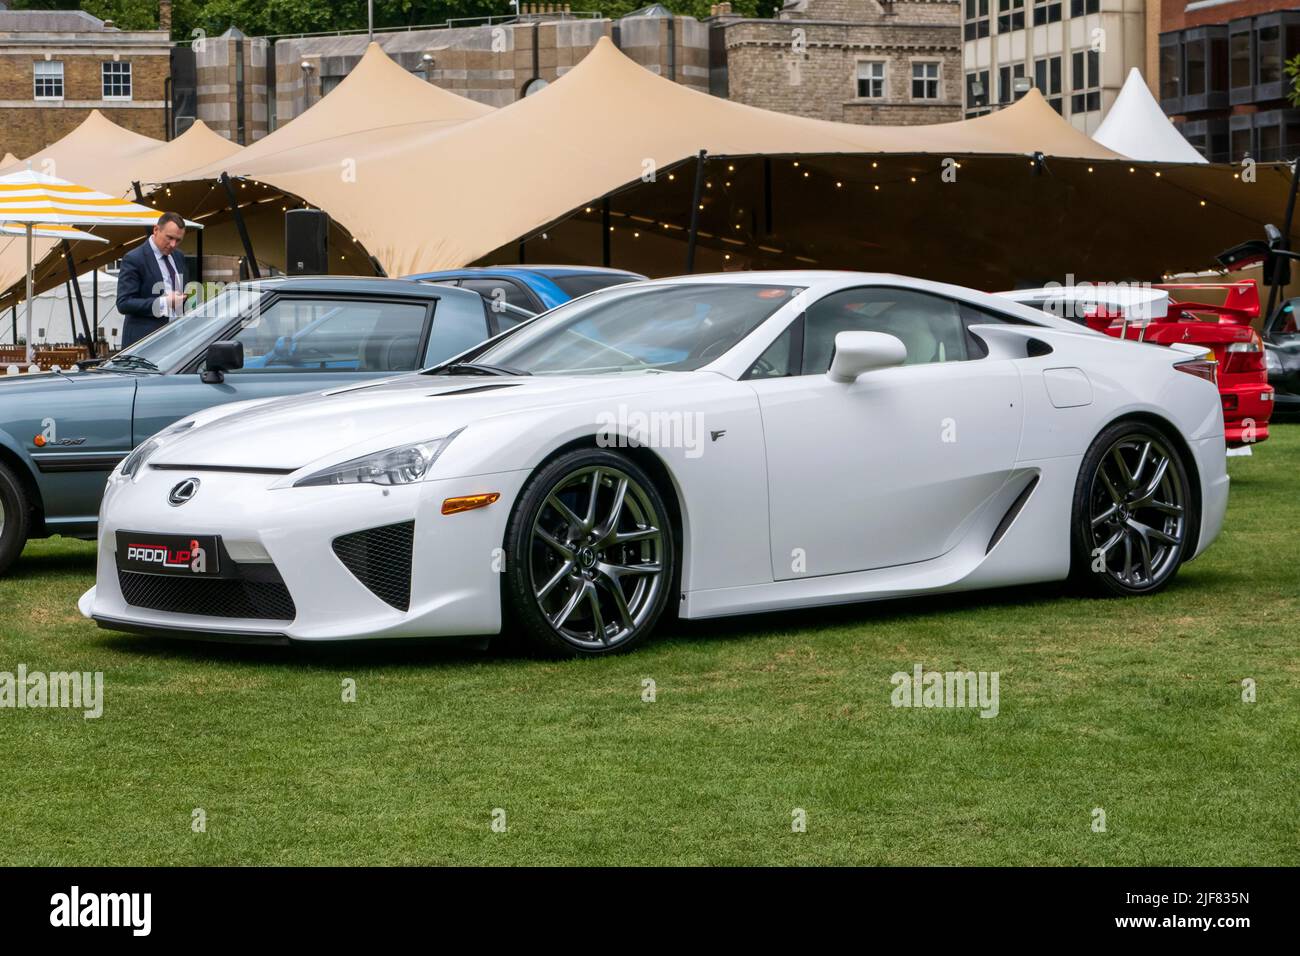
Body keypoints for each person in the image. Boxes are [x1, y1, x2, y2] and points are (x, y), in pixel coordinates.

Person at [116, 211, 187, 349]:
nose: (173, 244)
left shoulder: (178, 256)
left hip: (176, 342)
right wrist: (163, 302)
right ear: (156, 230)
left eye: (178, 240)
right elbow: (123, 303)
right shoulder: (134, 258)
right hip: (145, 344)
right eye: (169, 237)